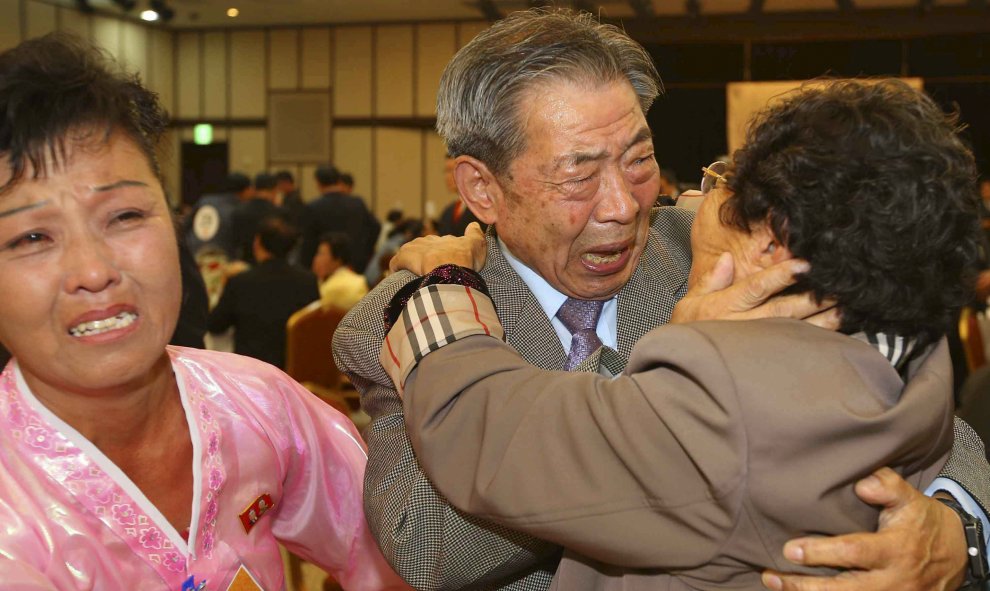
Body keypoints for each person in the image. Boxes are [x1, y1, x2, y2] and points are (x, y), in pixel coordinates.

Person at [332, 9, 990, 591]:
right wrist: (671, 359)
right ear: (482, 188)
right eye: (578, 174)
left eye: (639, 160)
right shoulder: (397, 322)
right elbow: (429, 548)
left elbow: (915, 404)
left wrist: (958, 529)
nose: (623, 206)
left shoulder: (741, 247)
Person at [0, 33, 407, 590]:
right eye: (32, 237)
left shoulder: (257, 403)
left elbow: (395, 550)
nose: (94, 271)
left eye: (123, 216)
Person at [208, 216, 320, 369]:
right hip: (293, 373)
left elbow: (216, 324)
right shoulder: (308, 281)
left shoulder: (241, 282)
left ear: (257, 243)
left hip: (250, 373)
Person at [298, 165, 380, 273]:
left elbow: (308, 243)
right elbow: (376, 227)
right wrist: (365, 252)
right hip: (355, 263)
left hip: (327, 266)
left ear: (318, 183)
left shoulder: (313, 207)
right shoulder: (357, 203)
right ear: (339, 180)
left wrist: (307, 267)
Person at [313, 231, 369, 311]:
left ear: (337, 260)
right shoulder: (360, 280)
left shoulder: (330, 289)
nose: (316, 259)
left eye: (321, 254)